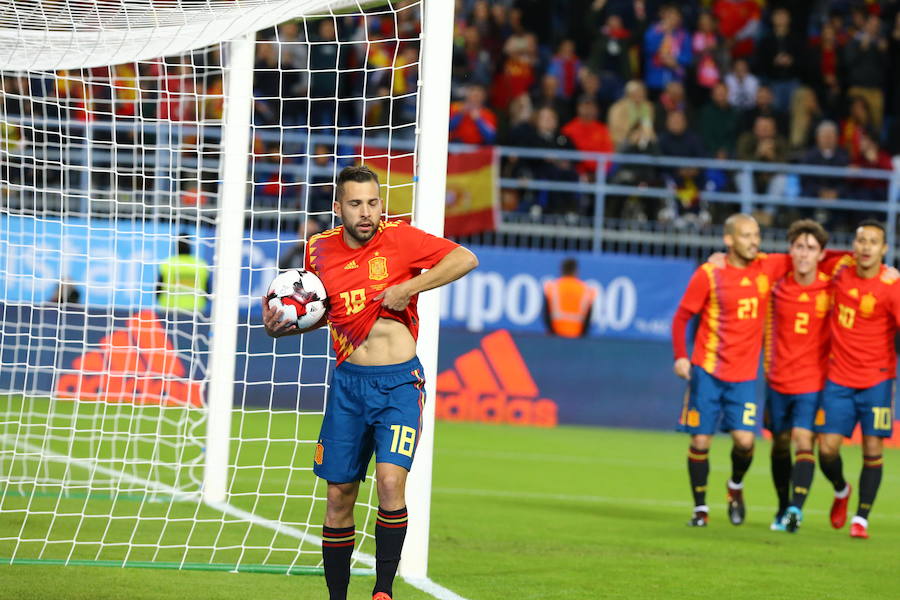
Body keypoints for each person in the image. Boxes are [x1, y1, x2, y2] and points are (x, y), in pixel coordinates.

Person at [261, 165, 478, 600]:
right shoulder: (317, 252)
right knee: (339, 495)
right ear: (338, 208)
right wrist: (282, 327)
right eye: (356, 204)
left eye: (373, 203)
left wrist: (409, 287)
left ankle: (383, 591)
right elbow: (323, 314)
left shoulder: (401, 239)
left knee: (390, 482)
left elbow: (465, 258)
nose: (367, 213)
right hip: (349, 385)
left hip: (399, 383)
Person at [671, 213, 792, 527]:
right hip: (707, 373)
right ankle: (700, 509)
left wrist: (863, 261)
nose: (754, 241)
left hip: (742, 378)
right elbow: (682, 317)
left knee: (745, 442)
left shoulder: (768, 267)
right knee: (700, 442)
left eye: (756, 235)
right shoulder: (709, 274)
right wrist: (681, 356)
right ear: (729, 240)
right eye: (746, 235)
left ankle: (735, 486)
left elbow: (811, 253)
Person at [816, 220, 900, 540]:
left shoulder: (892, 286)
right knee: (827, 449)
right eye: (861, 240)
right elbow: (810, 255)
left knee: (873, 447)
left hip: (877, 380)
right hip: (839, 378)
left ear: (884, 249)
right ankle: (841, 489)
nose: (866, 247)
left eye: (873, 242)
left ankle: (861, 519)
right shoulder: (841, 269)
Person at [763, 220, 839, 532]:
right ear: (790, 251)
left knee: (803, 440)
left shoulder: (831, 287)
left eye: (811, 248)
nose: (804, 253)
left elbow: (853, 261)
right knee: (780, 444)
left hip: (813, 381)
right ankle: (782, 506)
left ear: (821, 254)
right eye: (799, 247)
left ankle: (795, 509)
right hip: (778, 379)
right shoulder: (777, 286)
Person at [543, 258, 596, 338]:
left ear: (561, 270)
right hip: (577, 336)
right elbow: (589, 317)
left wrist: (552, 333)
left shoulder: (552, 288)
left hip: (556, 336)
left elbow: (546, 314)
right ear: (576, 271)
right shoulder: (586, 290)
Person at [157, 235, 210, 313]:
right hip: (195, 311)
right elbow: (207, 290)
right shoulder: (200, 264)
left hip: (170, 310)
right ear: (190, 246)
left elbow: (158, 290)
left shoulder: (167, 263)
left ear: (175, 246)